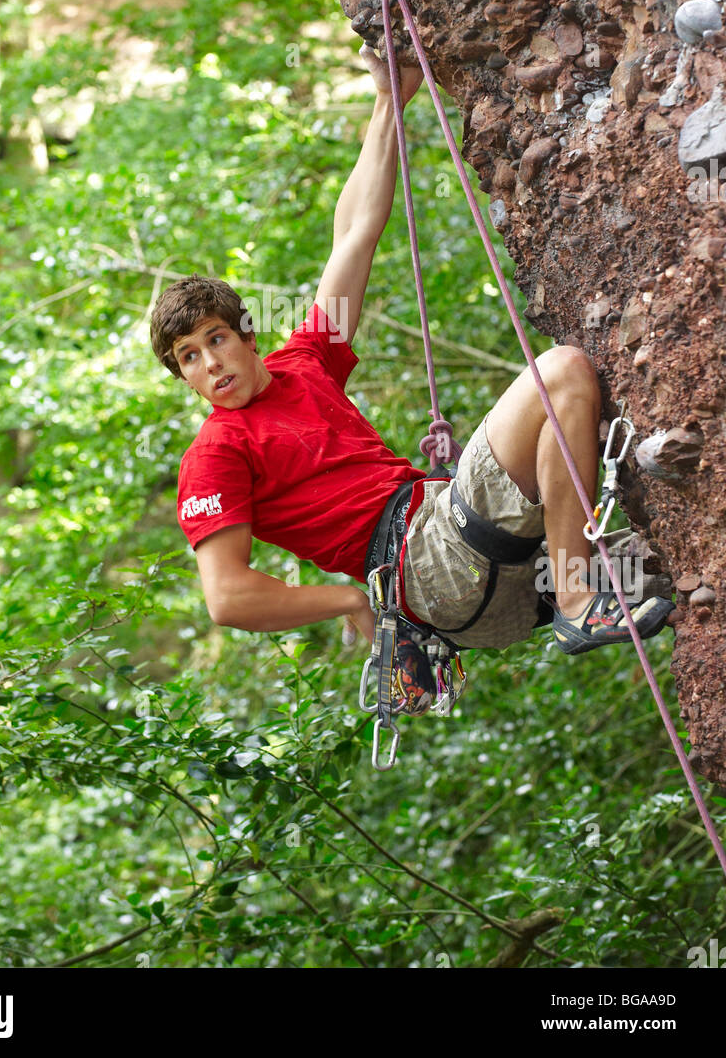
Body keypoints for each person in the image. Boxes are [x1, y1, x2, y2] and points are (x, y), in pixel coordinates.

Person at [150, 48, 674, 711]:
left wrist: (388, 103)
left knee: (682, 550)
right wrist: (351, 598)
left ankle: (574, 584)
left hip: (485, 585)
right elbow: (227, 597)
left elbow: (355, 234)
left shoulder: (305, 362)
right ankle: (575, 597)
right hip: (425, 564)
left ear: (248, 336)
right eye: (189, 358)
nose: (210, 364)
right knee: (563, 373)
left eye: (216, 340)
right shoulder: (217, 454)